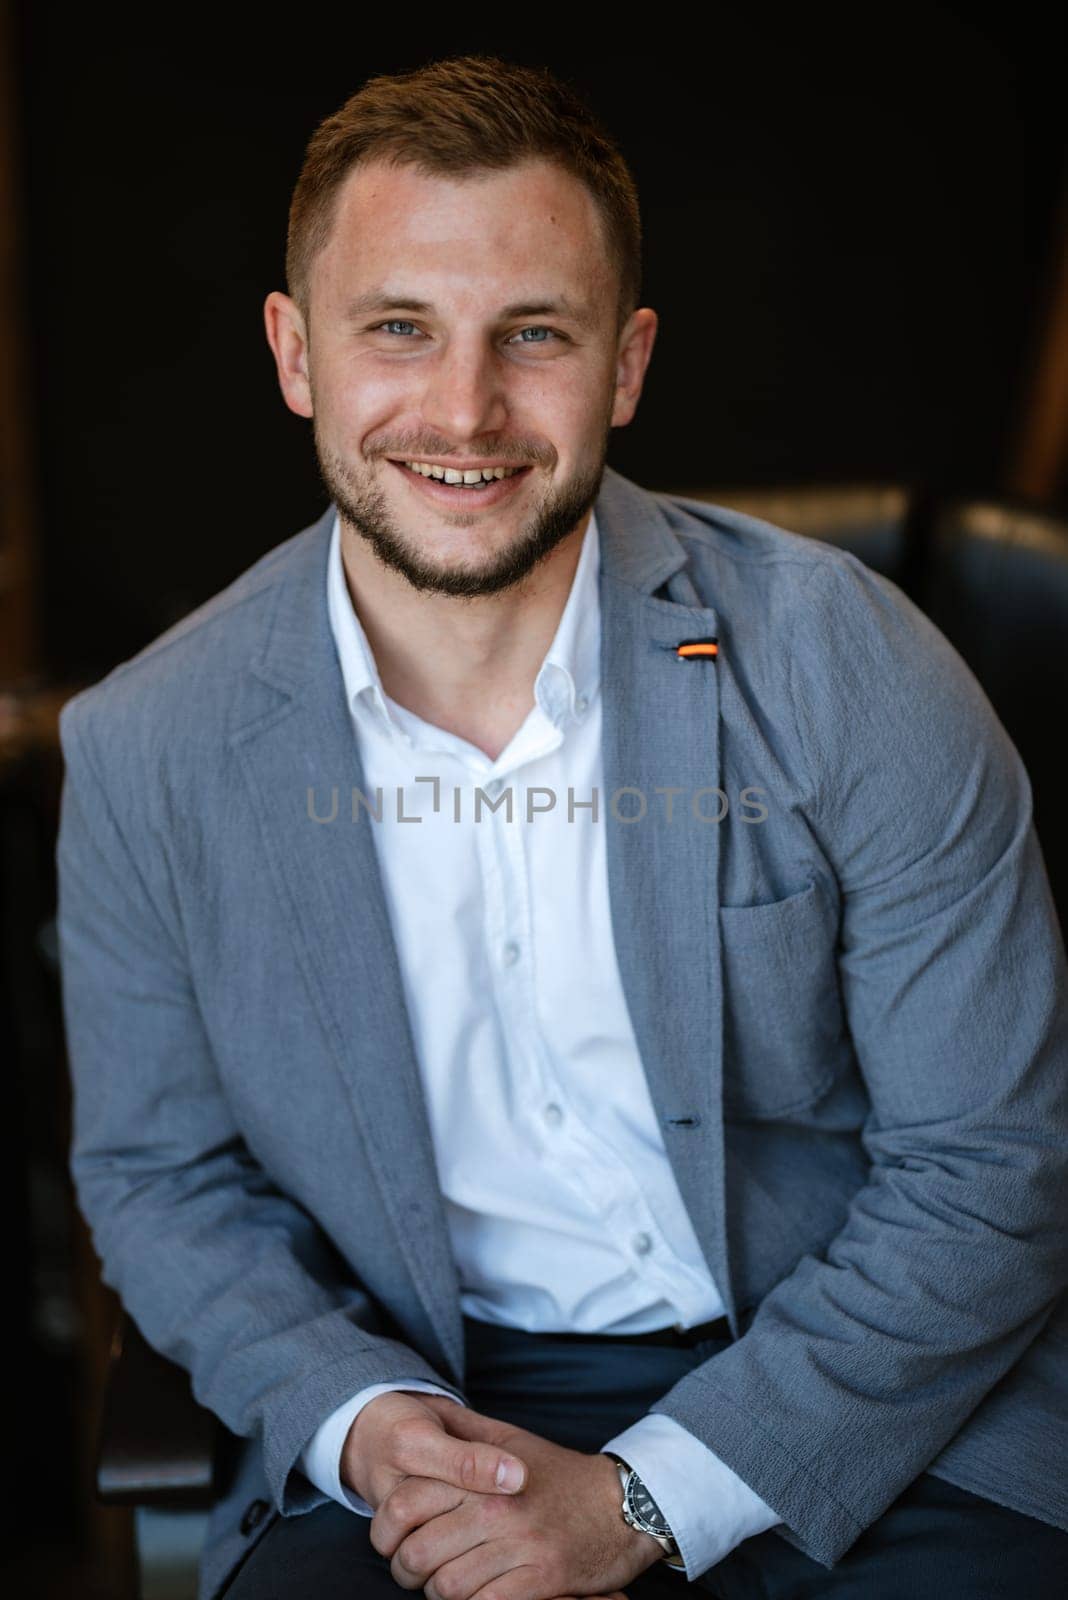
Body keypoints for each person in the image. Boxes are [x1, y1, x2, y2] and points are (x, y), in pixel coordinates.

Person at [55, 53, 1068, 1600]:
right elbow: (160, 1182)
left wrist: (646, 1500)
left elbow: (995, 1164)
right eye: (399, 327)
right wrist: (362, 1419)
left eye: (534, 334)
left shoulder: (848, 661)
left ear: (628, 365)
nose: (464, 410)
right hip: (435, 1401)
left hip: (867, 1383)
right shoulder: (147, 746)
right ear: (294, 352)